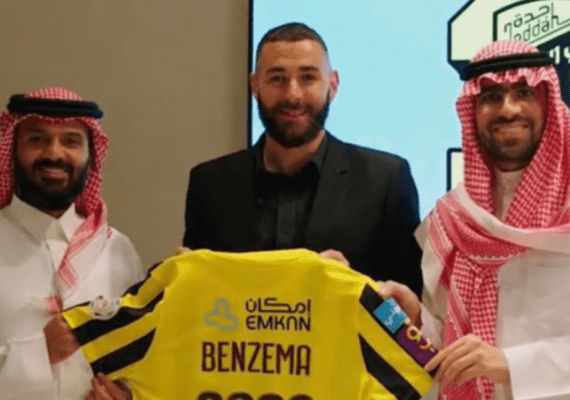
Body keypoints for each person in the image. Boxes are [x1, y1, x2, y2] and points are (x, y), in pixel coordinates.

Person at [381, 40, 570, 400]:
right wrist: (415, 320)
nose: (508, 109)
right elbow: (445, 344)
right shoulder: (452, 218)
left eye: (524, 92)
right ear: (472, 111)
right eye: (491, 97)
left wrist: (512, 364)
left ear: (548, 99)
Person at [183, 22, 423, 295]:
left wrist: (359, 292)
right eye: (277, 79)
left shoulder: (385, 182)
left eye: (308, 78)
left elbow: (404, 315)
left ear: (333, 85)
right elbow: (195, 302)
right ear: (254, 85)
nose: (293, 95)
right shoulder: (210, 184)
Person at [0, 87, 144, 400]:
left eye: (71, 141)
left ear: (90, 156)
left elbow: (142, 358)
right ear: (12, 150)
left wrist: (126, 395)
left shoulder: (117, 249)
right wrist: (39, 354)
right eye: (36, 139)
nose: (54, 154)